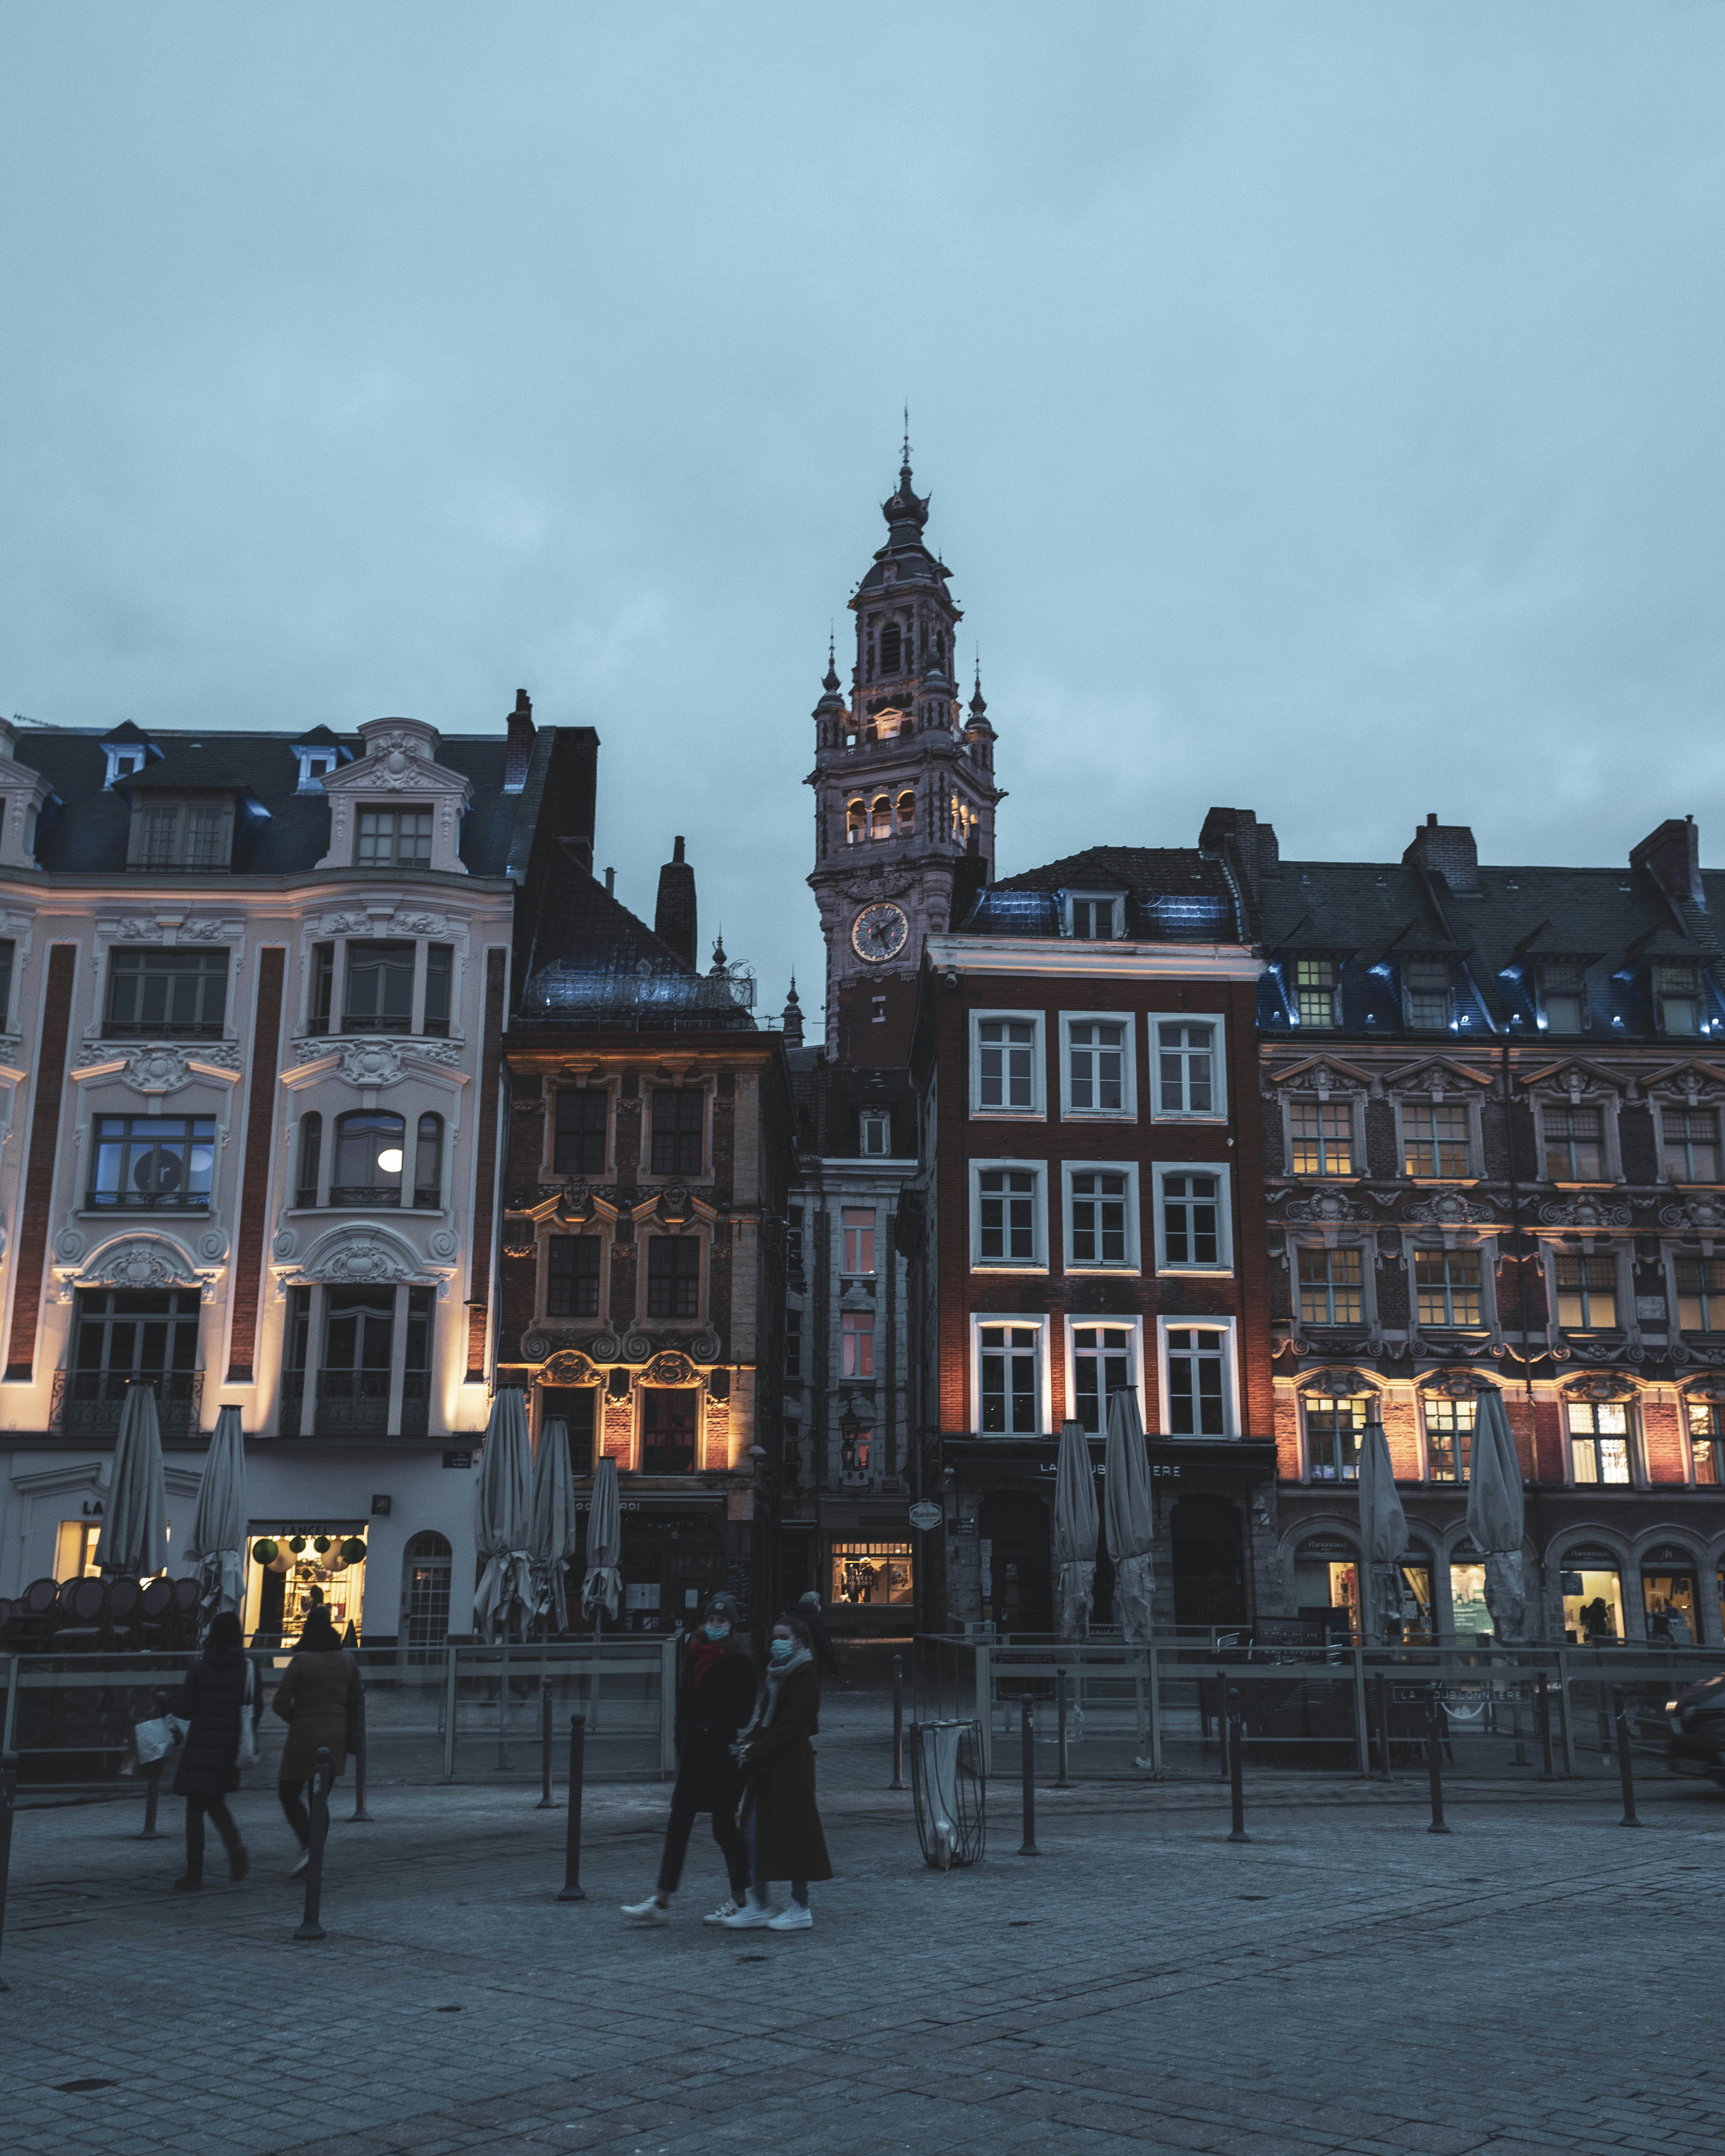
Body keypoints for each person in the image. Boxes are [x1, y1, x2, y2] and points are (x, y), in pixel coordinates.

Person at [621, 1591, 755, 1927]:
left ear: (732, 1626)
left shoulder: (739, 1661)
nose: (715, 1626)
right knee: (678, 1826)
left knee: (724, 1828)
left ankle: (742, 1897)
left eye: (722, 1621)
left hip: (720, 1756)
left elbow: (743, 1712)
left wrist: (711, 1727)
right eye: (711, 1620)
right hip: (694, 1755)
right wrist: (682, 1739)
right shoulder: (694, 1654)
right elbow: (685, 1701)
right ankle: (661, 1898)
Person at [722, 1614, 832, 1933]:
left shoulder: (805, 1674)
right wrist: (746, 1743)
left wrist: (754, 1750)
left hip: (791, 1768)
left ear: (798, 1640)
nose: (777, 1643)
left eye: (783, 1637)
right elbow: (766, 1722)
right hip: (770, 1766)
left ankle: (800, 1905)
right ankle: (759, 1903)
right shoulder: (778, 1675)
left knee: (797, 1834)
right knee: (754, 1833)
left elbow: (792, 1726)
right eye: (774, 1638)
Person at [166, 1609, 255, 1892]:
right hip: (230, 1744)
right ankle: (235, 1847)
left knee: (196, 1807)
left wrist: (169, 1703)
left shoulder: (200, 1668)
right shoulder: (247, 1668)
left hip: (201, 1743)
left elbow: (187, 1709)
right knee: (215, 1801)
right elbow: (256, 1708)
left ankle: (195, 1871)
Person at [271, 1602, 360, 1876]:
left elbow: (280, 1701)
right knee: (319, 1799)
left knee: (288, 1793)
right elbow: (356, 1702)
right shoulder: (348, 1660)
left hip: (303, 1735)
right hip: (335, 1737)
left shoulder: (302, 1660)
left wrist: (296, 1718)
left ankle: (309, 1847)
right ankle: (315, 1853)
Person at [792, 1590, 839, 1678]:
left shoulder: (791, 1617)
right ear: (814, 1603)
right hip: (812, 1659)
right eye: (818, 1603)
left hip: (794, 1659)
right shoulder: (817, 1619)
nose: (819, 1606)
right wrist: (832, 1668)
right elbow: (824, 1644)